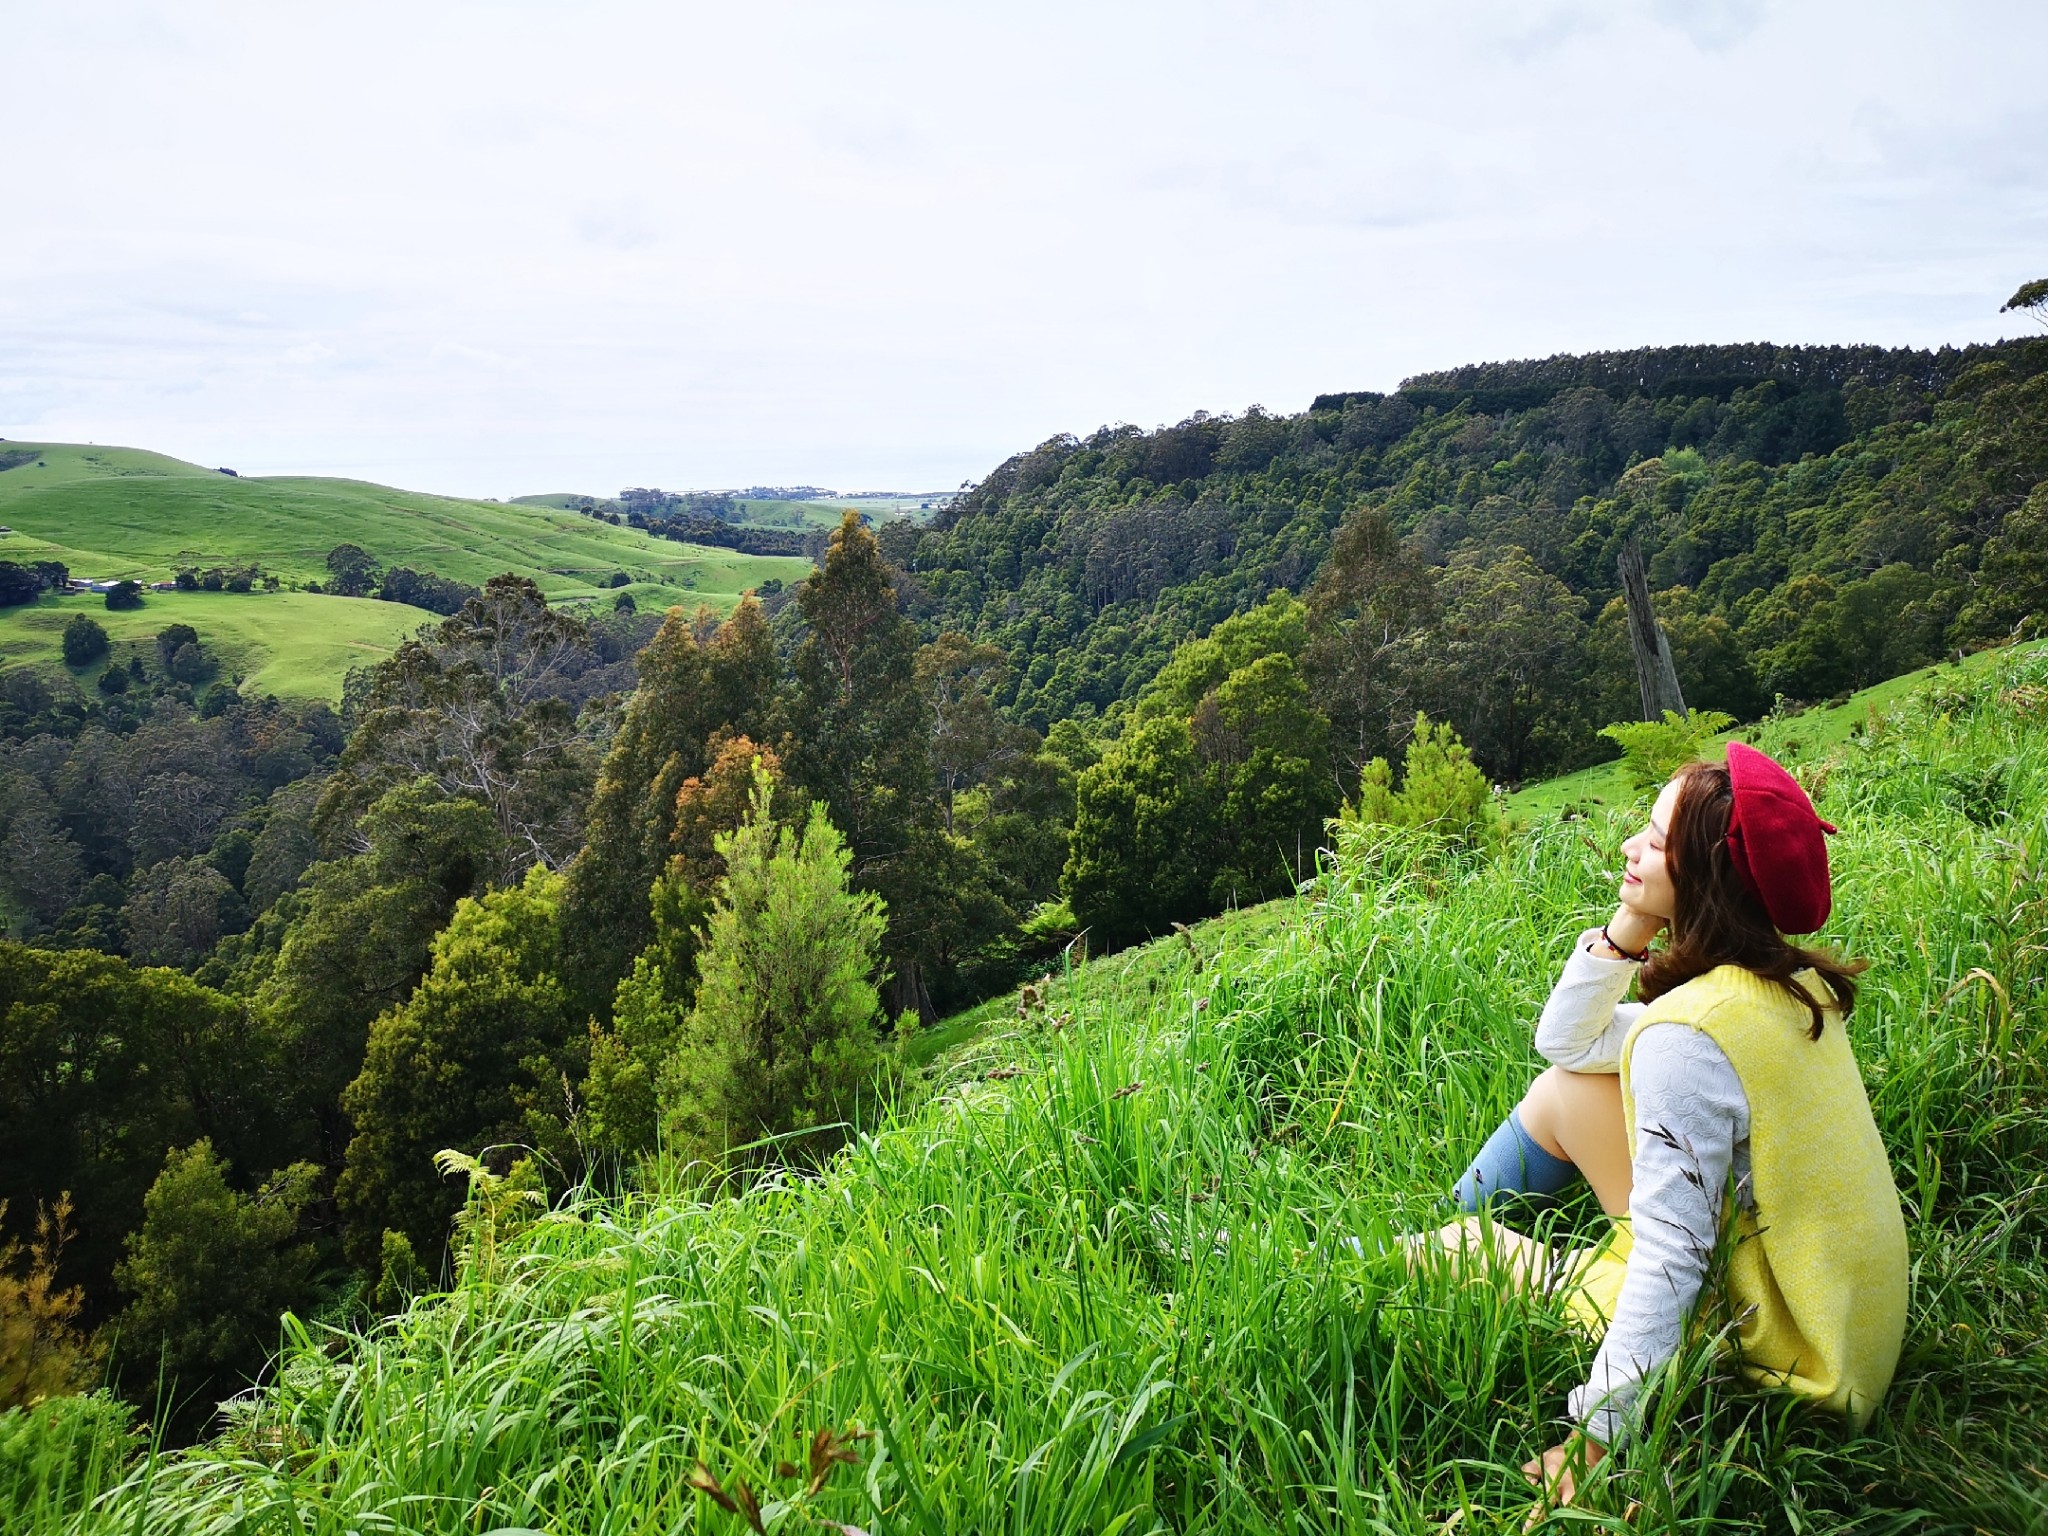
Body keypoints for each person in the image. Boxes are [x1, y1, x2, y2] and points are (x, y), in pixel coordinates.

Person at [1440, 743, 1908, 1513]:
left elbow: (1671, 1258)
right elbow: (1570, 1045)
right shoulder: (1781, 986)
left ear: (1706, 877)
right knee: (1566, 1087)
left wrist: (1596, 1439)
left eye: (1654, 841)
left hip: (1785, 1357)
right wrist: (1630, 923)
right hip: (1842, 1323)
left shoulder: (1687, 1038)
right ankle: (1469, 1212)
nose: (1629, 846)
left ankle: (1411, 1243)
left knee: (1448, 1250)